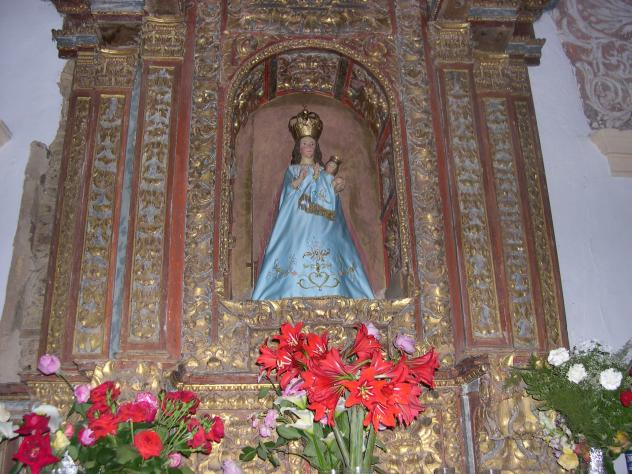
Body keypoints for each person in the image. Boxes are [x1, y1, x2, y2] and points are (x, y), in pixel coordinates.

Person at [251, 108, 374, 300]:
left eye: (311, 143)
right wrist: (303, 179)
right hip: (299, 221)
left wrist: (336, 186)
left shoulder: (323, 171)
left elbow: (329, 197)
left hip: (323, 221)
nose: (308, 146)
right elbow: (289, 193)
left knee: (331, 248)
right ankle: (289, 289)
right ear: (298, 148)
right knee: (296, 252)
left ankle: (337, 290)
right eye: (305, 143)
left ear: (316, 147)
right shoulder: (293, 170)